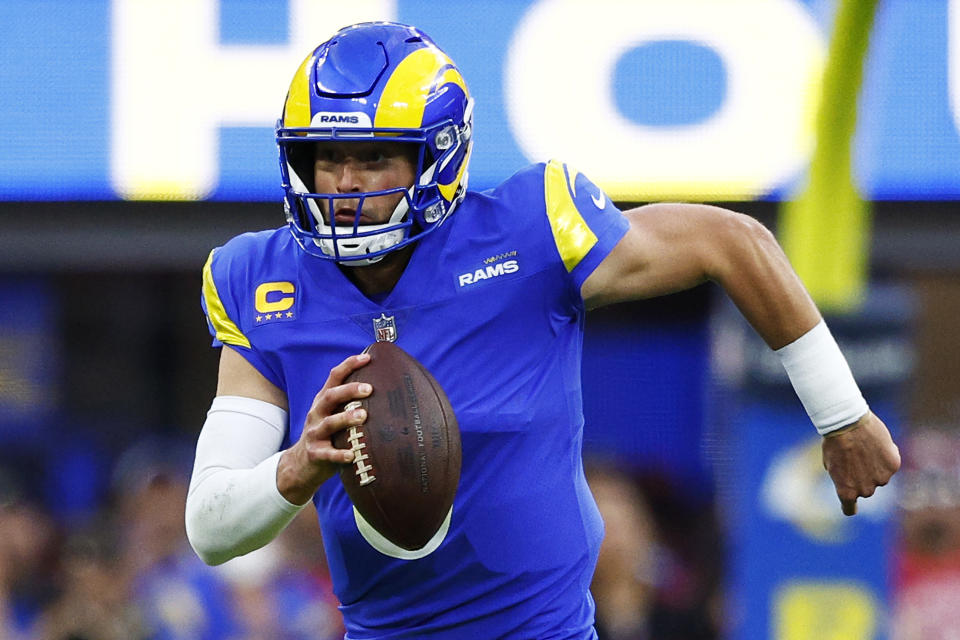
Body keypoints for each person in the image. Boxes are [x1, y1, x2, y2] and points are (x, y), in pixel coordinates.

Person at [185, 21, 901, 639]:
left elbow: (732, 241)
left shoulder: (531, 231)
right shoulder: (256, 279)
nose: (343, 182)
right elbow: (212, 529)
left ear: (438, 154)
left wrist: (842, 415)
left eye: (374, 156)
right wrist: (297, 466)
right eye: (327, 157)